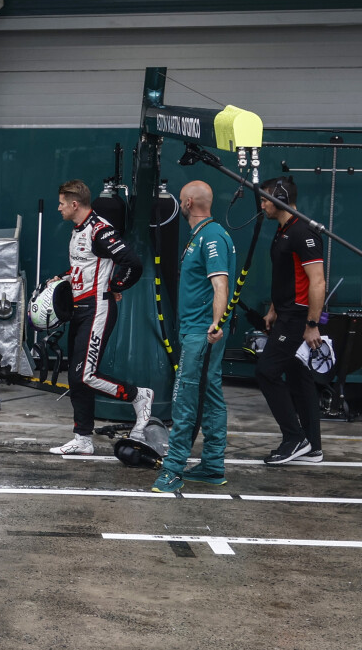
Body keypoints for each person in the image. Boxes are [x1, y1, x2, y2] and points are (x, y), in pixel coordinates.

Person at [51, 179, 154, 455]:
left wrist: (116, 286)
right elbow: (84, 266)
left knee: (86, 374)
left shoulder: (100, 230)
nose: (58, 207)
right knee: (75, 378)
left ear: (75, 204)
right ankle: (83, 439)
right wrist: (62, 277)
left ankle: (138, 395)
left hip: (98, 309)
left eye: (61, 203)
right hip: (79, 310)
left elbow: (133, 263)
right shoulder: (77, 229)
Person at [152, 181, 233, 492]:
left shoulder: (210, 237)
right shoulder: (203, 236)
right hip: (199, 331)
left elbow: (221, 285)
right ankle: (212, 466)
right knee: (210, 396)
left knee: (185, 399)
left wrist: (214, 323)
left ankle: (172, 471)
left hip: (201, 333)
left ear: (186, 202)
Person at [257, 176, 328, 465]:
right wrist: (274, 308)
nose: (261, 205)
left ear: (280, 199)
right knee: (300, 379)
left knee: (266, 372)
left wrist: (312, 325)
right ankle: (312, 447)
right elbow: (287, 276)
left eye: (264, 200)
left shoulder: (304, 234)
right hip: (286, 312)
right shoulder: (283, 230)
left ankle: (294, 437)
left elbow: (318, 282)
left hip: (299, 317)